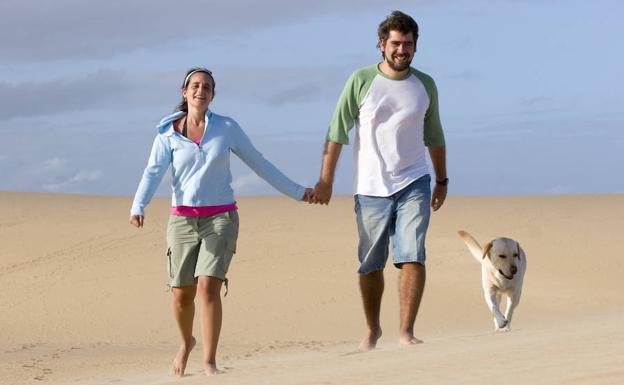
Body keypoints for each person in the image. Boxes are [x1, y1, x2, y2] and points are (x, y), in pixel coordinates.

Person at [129, 68, 314, 376]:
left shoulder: (227, 128)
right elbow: (152, 172)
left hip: (221, 219)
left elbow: (259, 163)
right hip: (183, 222)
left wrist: (297, 192)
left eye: (207, 87)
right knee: (180, 293)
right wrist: (139, 205)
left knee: (207, 287)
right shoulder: (167, 133)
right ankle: (186, 342)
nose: (201, 90)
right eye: (195, 86)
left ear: (213, 95)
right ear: (185, 92)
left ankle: (209, 361)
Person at [313, 11, 448, 350]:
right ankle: (373, 329)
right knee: (371, 264)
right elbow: (336, 131)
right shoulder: (360, 80)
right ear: (381, 45)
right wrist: (326, 180)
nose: (402, 50)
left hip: (414, 180)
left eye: (408, 44)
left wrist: (441, 180)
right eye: (396, 44)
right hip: (371, 187)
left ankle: (406, 332)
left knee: (412, 254)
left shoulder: (425, 84)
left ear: (416, 47)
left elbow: (435, 135)